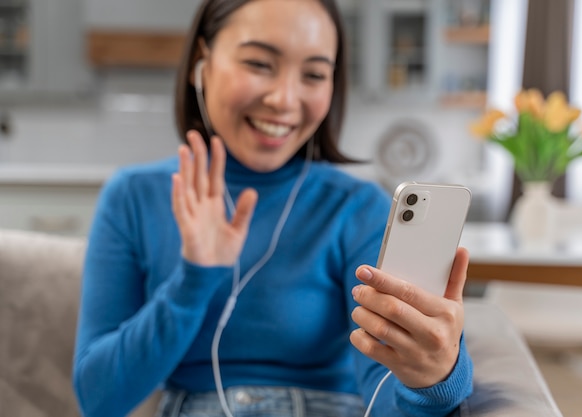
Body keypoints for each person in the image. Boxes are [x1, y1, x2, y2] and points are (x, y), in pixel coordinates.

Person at [72, 0, 473, 416]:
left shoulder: (356, 209)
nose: (284, 100)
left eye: (314, 74)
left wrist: (431, 380)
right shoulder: (132, 196)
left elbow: (384, 398)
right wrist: (193, 280)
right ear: (202, 63)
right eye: (260, 64)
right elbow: (98, 400)